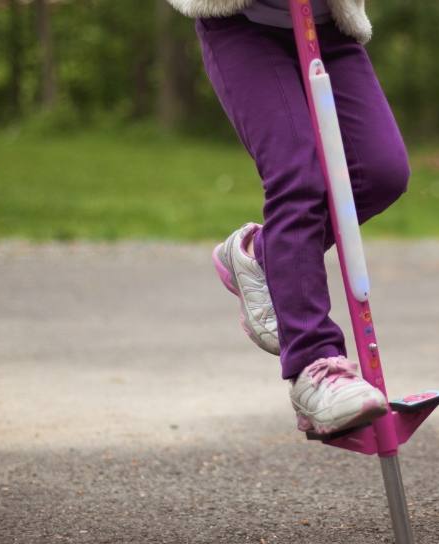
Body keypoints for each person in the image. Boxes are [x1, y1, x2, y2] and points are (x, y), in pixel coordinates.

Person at [165, 0, 408, 435]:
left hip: (329, 25)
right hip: (243, 24)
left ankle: (260, 253)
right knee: (298, 176)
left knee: (380, 173)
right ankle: (315, 366)